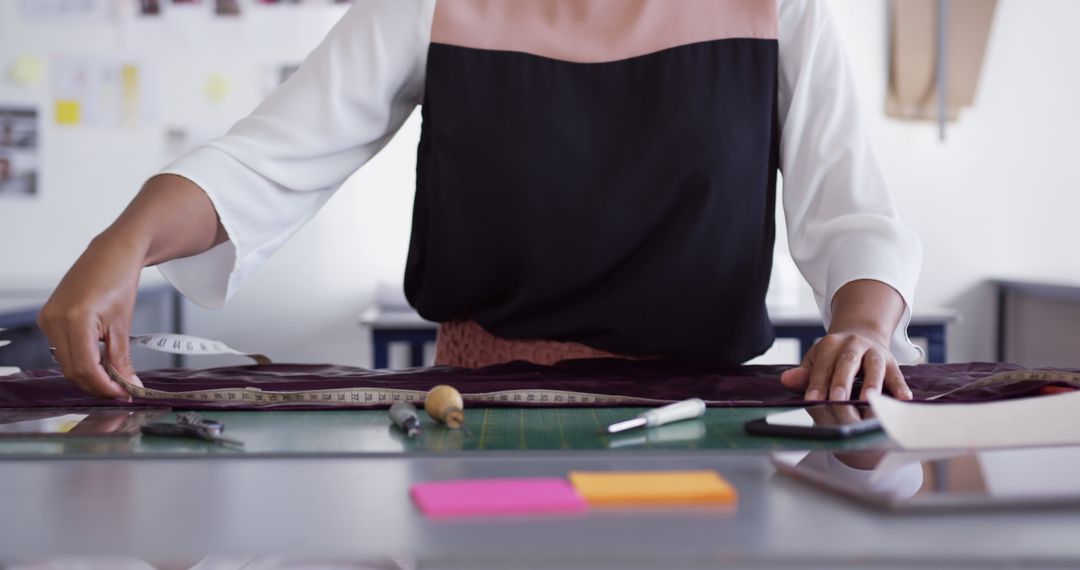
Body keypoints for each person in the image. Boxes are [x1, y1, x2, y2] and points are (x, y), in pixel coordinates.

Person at [38, 0, 922, 403]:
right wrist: (125, 240)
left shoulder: (781, 10)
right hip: (485, 404)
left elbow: (852, 214)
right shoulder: (429, 4)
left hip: (701, 411)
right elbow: (264, 162)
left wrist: (868, 327)